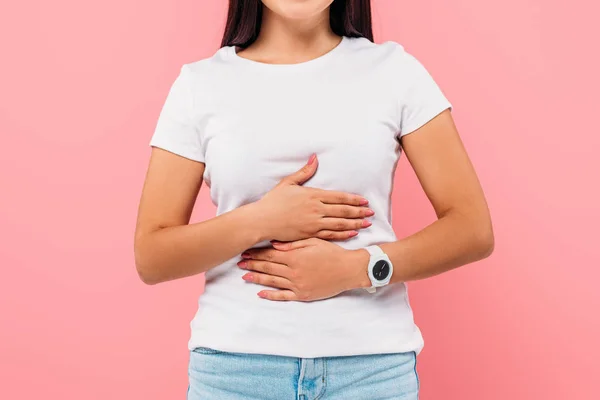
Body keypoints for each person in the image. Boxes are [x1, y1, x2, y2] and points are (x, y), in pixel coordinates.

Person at [134, 0, 494, 398]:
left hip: (370, 372)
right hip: (236, 372)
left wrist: (358, 269)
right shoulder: (199, 85)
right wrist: (264, 219)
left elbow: (471, 228)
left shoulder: (395, 72)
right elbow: (153, 256)